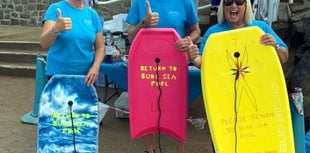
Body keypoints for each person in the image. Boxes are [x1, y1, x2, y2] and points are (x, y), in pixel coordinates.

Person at [125, 0, 201, 153]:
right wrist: (143, 23)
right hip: (146, 61)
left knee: (177, 103)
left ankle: (180, 150)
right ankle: (149, 149)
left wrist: (188, 40)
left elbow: (196, 30)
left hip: (175, 62)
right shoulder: (141, 2)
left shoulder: (185, 2)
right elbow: (131, 37)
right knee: (148, 102)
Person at [187, 0, 289, 68]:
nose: (233, 5)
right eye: (228, 2)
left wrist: (275, 46)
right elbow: (202, 63)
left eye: (239, 1)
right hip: (223, 89)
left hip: (257, 88)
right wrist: (194, 57)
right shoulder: (213, 32)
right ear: (223, 7)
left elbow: (284, 59)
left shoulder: (261, 28)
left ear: (246, 5)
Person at [39, 0, 105, 86]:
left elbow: (100, 48)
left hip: (86, 78)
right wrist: (55, 29)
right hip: (59, 77)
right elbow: (44, 43)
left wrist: (95, 67)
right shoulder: (56, 9)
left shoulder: (92, 14)